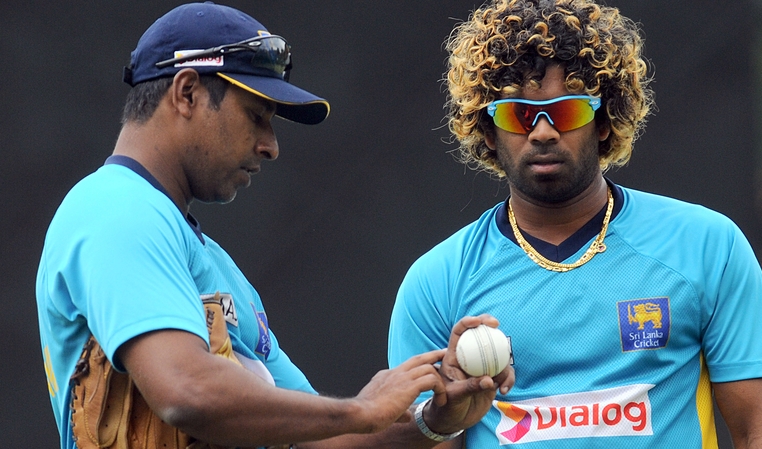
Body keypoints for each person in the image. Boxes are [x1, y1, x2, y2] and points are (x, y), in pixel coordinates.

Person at [35, 3, 514, 449]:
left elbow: (316, 439)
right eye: (256, 115)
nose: (271, 145)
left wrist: (437, 418)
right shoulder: (115, 209)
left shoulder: (212, 263)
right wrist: (361, 409)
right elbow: (185, 391)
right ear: (187, 93)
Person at [387, 0, 762, 447]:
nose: (543, 132)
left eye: (567, 112)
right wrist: (443, 413)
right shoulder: (437, 282)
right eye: (519, 115)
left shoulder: (707, 246)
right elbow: (422, 437)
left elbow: (761, 429)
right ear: (488, 131)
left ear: (603, 121)